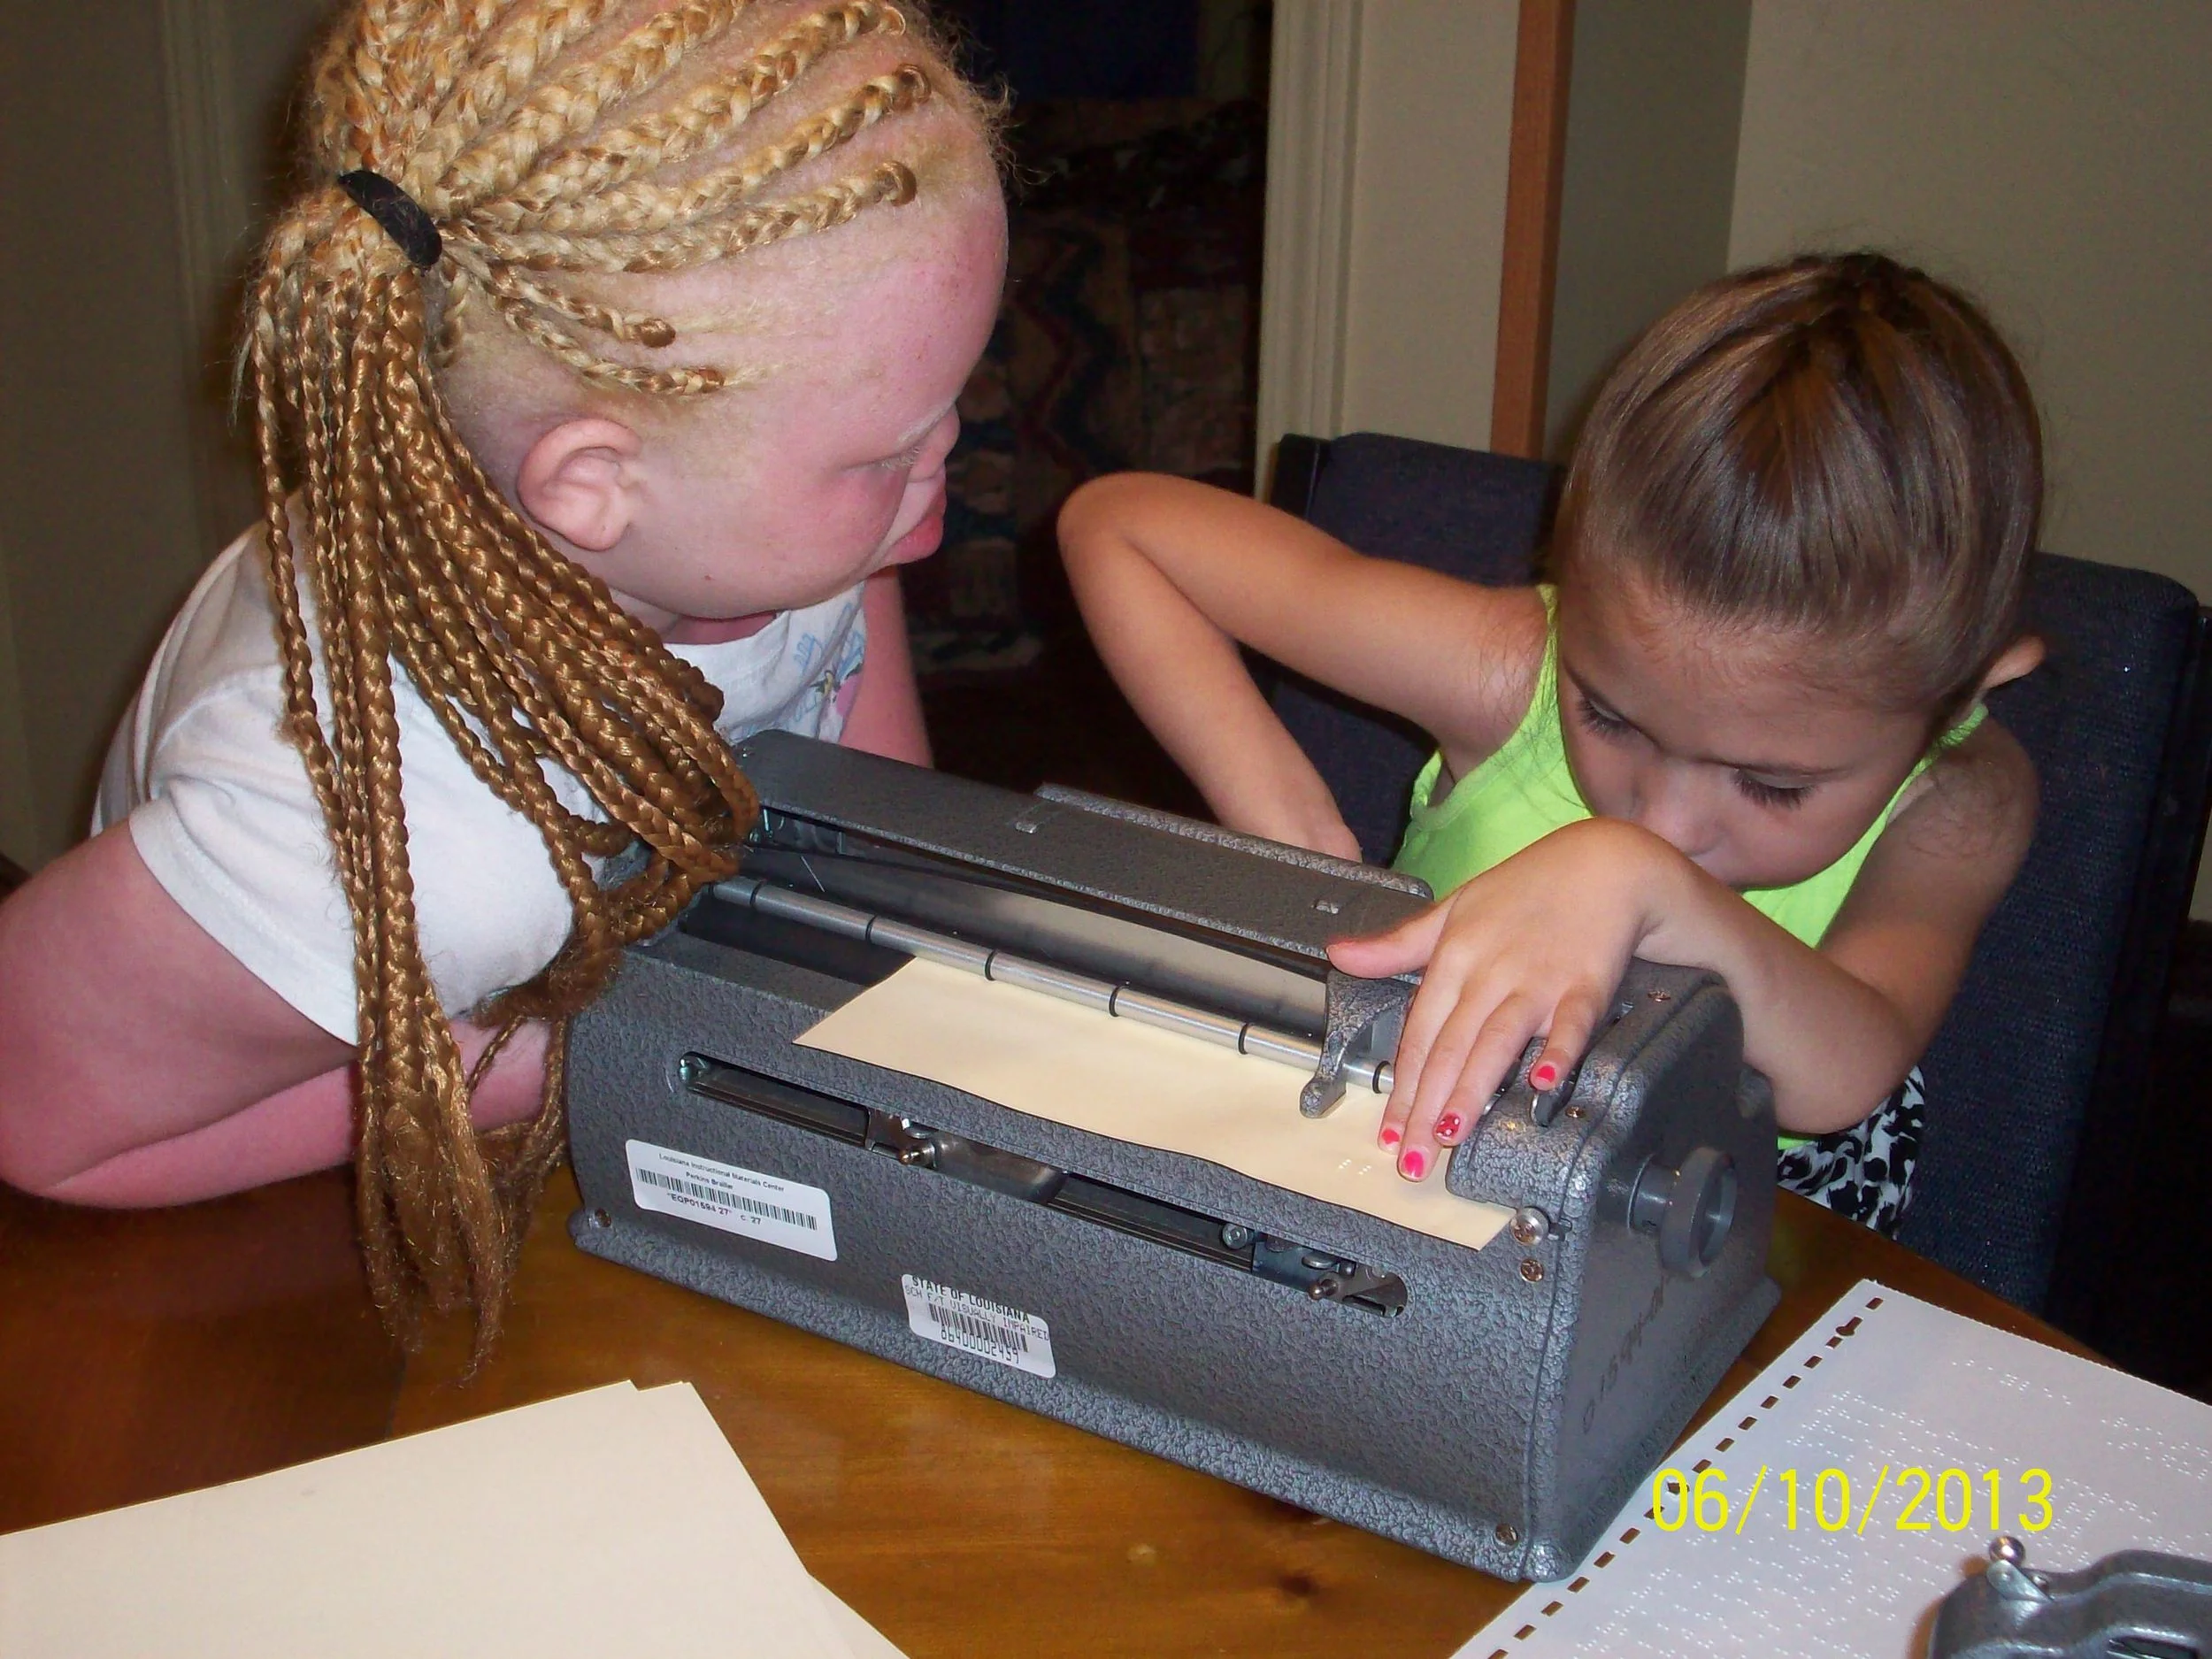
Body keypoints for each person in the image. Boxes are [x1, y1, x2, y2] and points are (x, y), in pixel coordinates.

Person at [0, 0, 1008, 1349]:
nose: (949, 459)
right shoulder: (406, 850)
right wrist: (572, 1058)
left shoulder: (747, 515)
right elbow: (34, 1117)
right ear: (594, 487)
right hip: (368, 1161)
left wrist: (879, 893)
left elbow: (855, 738)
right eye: (887, 454)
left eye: (951, 397)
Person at [1060, 254, 2045, 1235]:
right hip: (1401, 1180)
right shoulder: (1510, 669)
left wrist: (1638, 883)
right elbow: (1121, 527)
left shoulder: (1959, 796)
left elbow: (1848, 1070)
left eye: (1770, 786)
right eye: (1609, 717)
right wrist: (1296, 843)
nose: (1659, 818)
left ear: (1961, 693)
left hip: (1732, 1255)